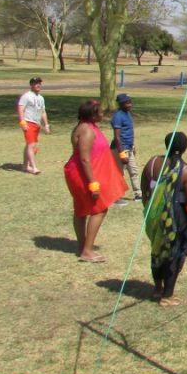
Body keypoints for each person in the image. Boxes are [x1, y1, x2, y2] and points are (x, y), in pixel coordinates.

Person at [141, 132, 187, 306]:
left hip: (154, 217)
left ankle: (158, 288)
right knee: (175, 255)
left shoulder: (152, 163)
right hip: (176, 220)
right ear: (184, 147)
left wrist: (151, 211)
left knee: (157, 251)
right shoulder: (186, 171)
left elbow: (144, 189)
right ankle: (167, 296)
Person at [63, 100, 127, 261]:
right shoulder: (86, 131)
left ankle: (83, 246)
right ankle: (87, 250)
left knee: (81, 209)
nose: (102, 114)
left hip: (83, 172)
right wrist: (92, 183)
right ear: (92, 114)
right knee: (99, 209)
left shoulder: (88, 126)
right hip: (82, 174)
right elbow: (84, 159)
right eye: (99, 112)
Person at [110, 93, 142, 201]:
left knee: (134, 171)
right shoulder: (118, 116)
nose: (129, 104)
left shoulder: (127, 114)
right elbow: (117, 137)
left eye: (130, 102)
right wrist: (122, 153)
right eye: (127, 102)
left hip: (129, 147)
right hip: (120, 149)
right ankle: (117, 196)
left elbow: (129, 132)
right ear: (121, 104)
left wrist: (133, 146)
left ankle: (138, 194)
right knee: (119, 173)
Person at [17, 77, 50, 174]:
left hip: (37, 124)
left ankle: (25, 165)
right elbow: (20, 108)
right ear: (31, 85)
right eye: (36, 83)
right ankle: (33, 167)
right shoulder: (26, 96)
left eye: (39, 83)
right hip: (28, 122)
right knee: (32, 145)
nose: (38, 85)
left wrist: (46, 124)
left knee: (30, 145)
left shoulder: (41, 98)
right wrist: (22, 122)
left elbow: (43, 112)